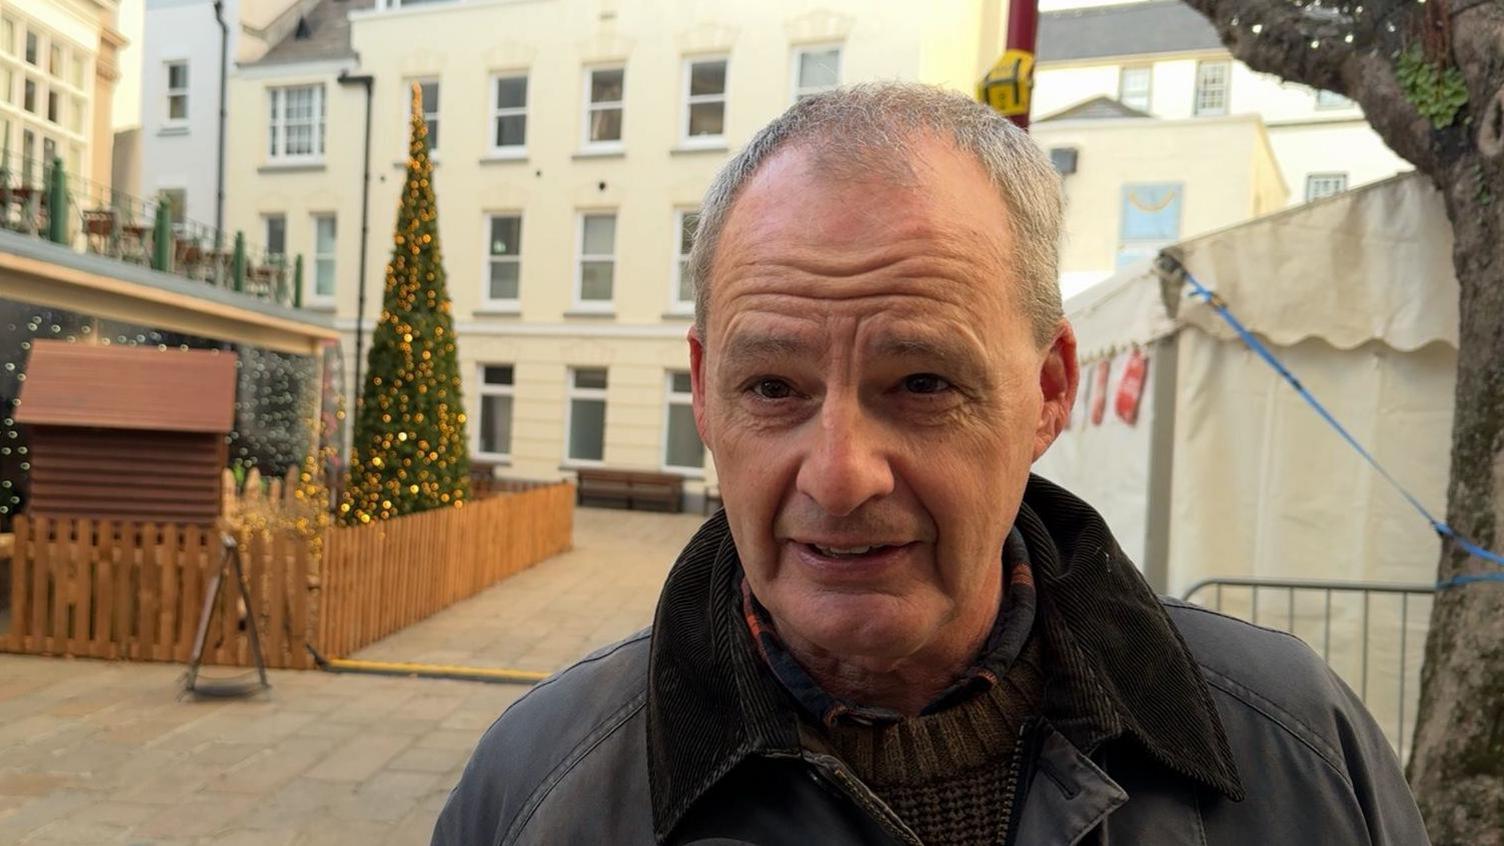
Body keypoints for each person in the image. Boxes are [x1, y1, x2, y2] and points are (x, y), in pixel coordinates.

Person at [432, 83, 1429, 845]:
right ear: (703, 392)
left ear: (1046, 390)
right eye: (773, 389)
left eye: (920, 385)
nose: (838, 476)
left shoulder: (1299, 750)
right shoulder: (534, 789)